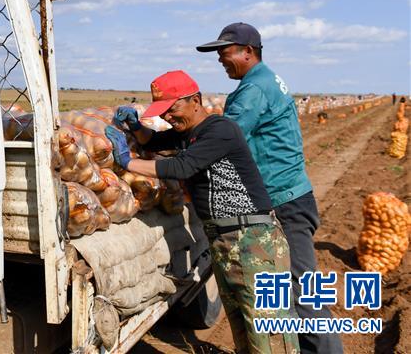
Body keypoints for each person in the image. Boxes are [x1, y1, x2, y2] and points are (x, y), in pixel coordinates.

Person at [110, 70, 298, 354]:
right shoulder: (189, 133)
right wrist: (136, 127)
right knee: (244, 329)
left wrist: (127, 162)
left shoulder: (220, 130)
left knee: (269, 332)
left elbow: (181, 167)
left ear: (195, 100)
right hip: (226, 241)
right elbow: (154, 142)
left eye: (172, 109)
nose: (168, 118)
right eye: (163, 112)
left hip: (254, 242)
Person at [196, 23, 342, 353]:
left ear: (248, 51)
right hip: (290, 195)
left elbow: (222, 140)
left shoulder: (254, 91)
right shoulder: (262, 81)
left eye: (225, 50)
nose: (220, 57)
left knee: (300, 294)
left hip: (284, 202)